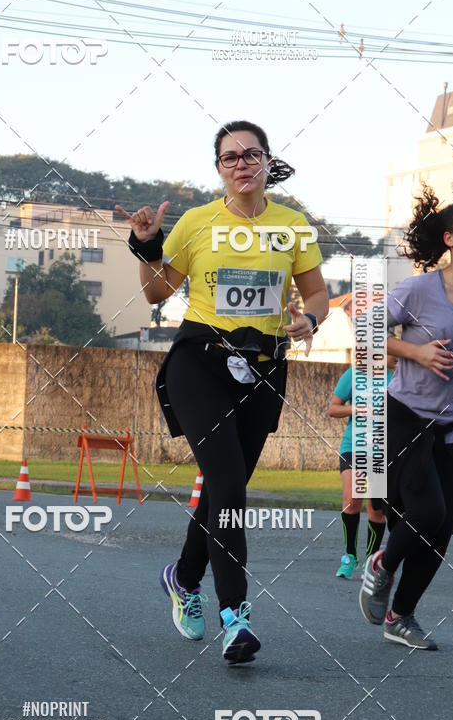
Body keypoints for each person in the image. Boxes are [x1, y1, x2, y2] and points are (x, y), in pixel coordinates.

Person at [117, 120, 329, 664]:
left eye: (251, 155)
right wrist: (146, 247)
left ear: (266, 162)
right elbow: (157, 292)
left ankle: (184, 578)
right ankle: (235, 615)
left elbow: (317, 295)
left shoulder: (293, 226)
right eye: (230, 157)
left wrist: (310, 319)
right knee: (229, 481)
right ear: (219, 168)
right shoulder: (196, 222)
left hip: (264, 367)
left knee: (221, 489)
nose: (241, 164)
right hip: (200, 362)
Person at [360, 186, 453, 649]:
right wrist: (416, 352)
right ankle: (381, 564)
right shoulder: (421, 290)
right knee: (427, 510)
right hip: (405, 416)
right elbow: (366, 335)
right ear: (449, 239)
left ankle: (401, 616)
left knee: (444, 525)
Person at [328, 355, 397, 579]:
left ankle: (371, 559)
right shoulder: (352, 376)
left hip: (381, 450)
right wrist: (355, 409)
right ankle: (349, 557)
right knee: (351, 500)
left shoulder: (396, 379)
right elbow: (333, 408)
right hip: (353, 445)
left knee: (376, 509)